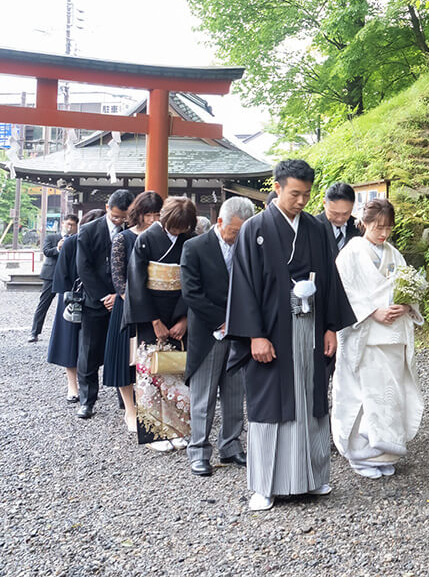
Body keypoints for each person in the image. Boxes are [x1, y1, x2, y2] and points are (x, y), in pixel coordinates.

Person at [226, 159, 355, 511]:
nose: (301, 201)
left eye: (306, 194)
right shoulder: (255, 229)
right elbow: (243, 286)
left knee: (311, 401)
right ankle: (264, 485)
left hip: (311, 327)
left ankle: (313, 478)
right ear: (278, 187)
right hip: (271, 331)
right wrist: (254, 335)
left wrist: (330, 327)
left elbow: (328, 280)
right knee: (271, 406)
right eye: (294, 193)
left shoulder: (315, 229)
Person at [332, 198, 424, 479]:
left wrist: (406, 306)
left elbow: (410, 290)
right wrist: (373, 312)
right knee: (365, 395)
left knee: (391, 396)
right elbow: (346, 291)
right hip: (367, 335)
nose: (383, 233)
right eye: (377, 227)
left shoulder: (394, 255)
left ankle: (387, 454)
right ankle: (362, 455)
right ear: (364, 223)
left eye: (388, 228)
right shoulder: (351, 253)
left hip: (393, 336)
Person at [180, 197, 252, 477]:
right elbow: (191, 293)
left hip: (239, 332)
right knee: (204, 396)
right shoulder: (195, 247)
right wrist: (222, 321)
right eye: (234, 231)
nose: (237, 237)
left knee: (236, 394)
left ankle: (231, 445)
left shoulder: (247, 245)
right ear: (220, 222)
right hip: (209, 331)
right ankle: (198, 450)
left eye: (242, 232)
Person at [127, 196, 197, 451]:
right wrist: (153, 320)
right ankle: (155, 433)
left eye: (182, 228)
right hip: (151, 312)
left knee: (178, 372)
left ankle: (180, 429)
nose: (177, 231)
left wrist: (185, 318)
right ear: (164, 218)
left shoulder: (189, 241)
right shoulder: (145, 239)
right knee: (150, 373)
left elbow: (194, 281)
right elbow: (135, 282)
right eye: (174, 226)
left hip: (179, 311)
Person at [105, 191, 163, 433]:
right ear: (137, 214)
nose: (151, 219)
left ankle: (151, 407)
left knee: (154, 361)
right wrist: (137, 302)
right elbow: (118, 278)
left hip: (157, 306)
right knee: (124, 361)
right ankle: (130, 409)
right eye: (147, 214)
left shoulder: (163, 237)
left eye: (156, 214)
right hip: (128, 306)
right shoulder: (123, 238)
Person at [75, 190, 134, 420]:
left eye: (124, 217)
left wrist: (118, 294)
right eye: (116, 216)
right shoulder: (89, 230)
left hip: (122, 300)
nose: (119, 221)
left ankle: (125, 399)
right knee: (89, 352)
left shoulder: (131, 231)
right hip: (95, 300)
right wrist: (104, 296)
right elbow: (84, 267)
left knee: (123, 351)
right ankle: (87, 400)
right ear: (107, 207)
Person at [46, 210, 101, 403]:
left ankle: (91, 385)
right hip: (74, 299)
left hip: (98, 301)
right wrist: (68, 300)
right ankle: (72, 386)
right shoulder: (72, 242)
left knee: (92, 346)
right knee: (70, 344)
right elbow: (61, 275)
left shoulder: (108, 242)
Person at [30, 216, 75, 343]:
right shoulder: (51, 237)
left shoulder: (75, 239)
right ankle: (34, 332)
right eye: (68, 224)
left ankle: (66, 336)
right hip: (51, 275)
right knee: (43, 304)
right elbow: (46, 251)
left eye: (72, 225)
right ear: (62, 224)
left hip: (67, 276)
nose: (69, 227)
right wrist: (58, 248)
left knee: (68, 305)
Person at [315, 182, 360, 253]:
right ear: (324, 203)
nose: (340, 219)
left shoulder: (359, 227)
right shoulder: (312, 226)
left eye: (345, 213)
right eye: (335, 213)